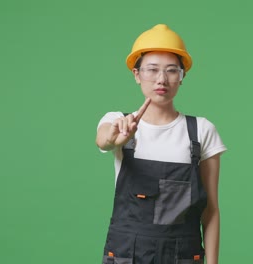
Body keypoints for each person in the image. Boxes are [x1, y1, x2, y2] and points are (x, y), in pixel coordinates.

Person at [96, 24, 227, 264]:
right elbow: (103, 141)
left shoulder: (201, 131)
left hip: (184, 255)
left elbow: (211, 211)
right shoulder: (118, 121)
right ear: (137, 75)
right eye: (152, 70)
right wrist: (116, 137)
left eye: (171, 70)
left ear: (182, 76)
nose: (161, 79)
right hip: (127, 253)